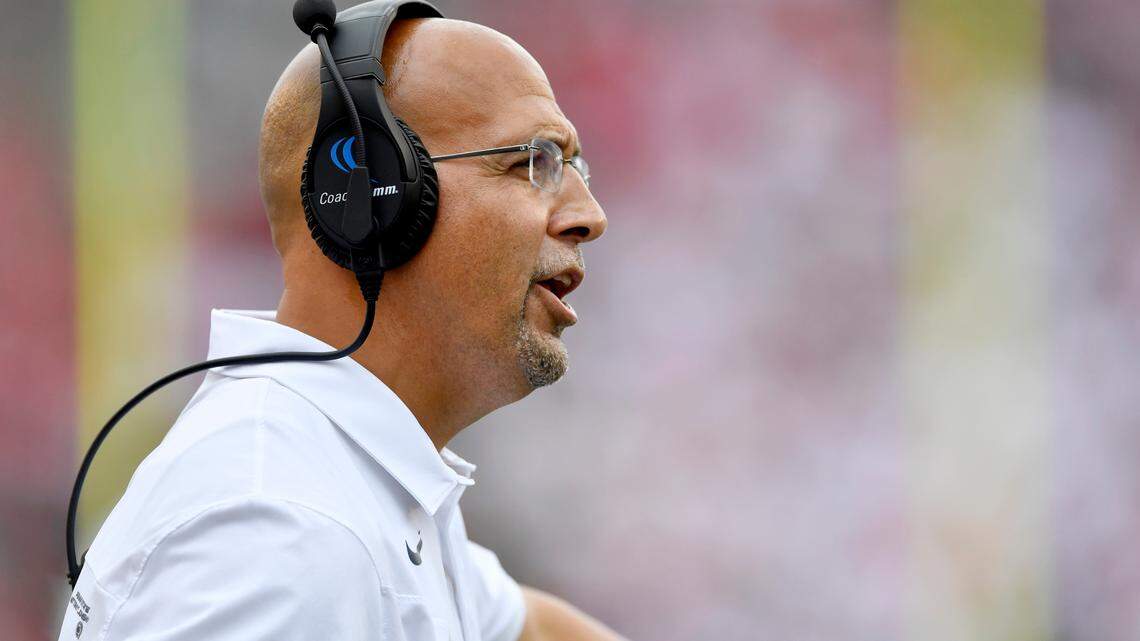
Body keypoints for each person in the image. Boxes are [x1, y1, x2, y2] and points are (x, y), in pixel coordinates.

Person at [57, 13, 618, 641]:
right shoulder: (278, 532)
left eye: (575, 167)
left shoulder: (350, 477)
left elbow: (530, 629)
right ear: (374, 196)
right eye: (533, 162)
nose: (588, 216)